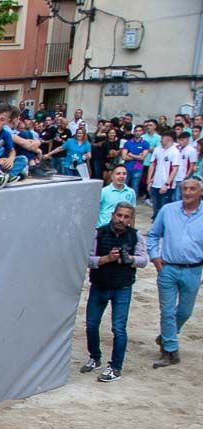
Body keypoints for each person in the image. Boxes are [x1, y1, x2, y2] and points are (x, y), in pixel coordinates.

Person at [81, 202, 146, 382]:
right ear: (112, 215)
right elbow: (87, 259)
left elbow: (143, 260)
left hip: (122, 287)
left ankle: (116, 367)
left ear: (131, 219)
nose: (121, 219)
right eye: (119, 215)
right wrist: (106, 259)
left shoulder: (135, 236)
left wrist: (129, 258)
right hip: (99, 285)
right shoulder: (99, 233)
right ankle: (95, 357)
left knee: (119, 328)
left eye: (126, 217)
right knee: (92, 324)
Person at [148, 175, 203, 368]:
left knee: (185, 311)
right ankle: (170, 350)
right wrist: (154, 256)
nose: (188, 192)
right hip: (168, 268)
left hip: (194, 270)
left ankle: (165, 336)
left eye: (192, 189)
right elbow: (153, 235)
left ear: (200, 192)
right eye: (185, 188)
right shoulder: (168, 210)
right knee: (167, 311)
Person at [147, 129, 182, 218]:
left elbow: (175, 169)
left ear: (168, 138)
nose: (161, 139)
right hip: (155, 184)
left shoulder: (175, 152)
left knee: (164, 209)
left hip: (167, 186)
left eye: (162, 137)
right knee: (155, 208)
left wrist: (166, 184)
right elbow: (153, 165)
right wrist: (149, 180)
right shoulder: (157, 149)